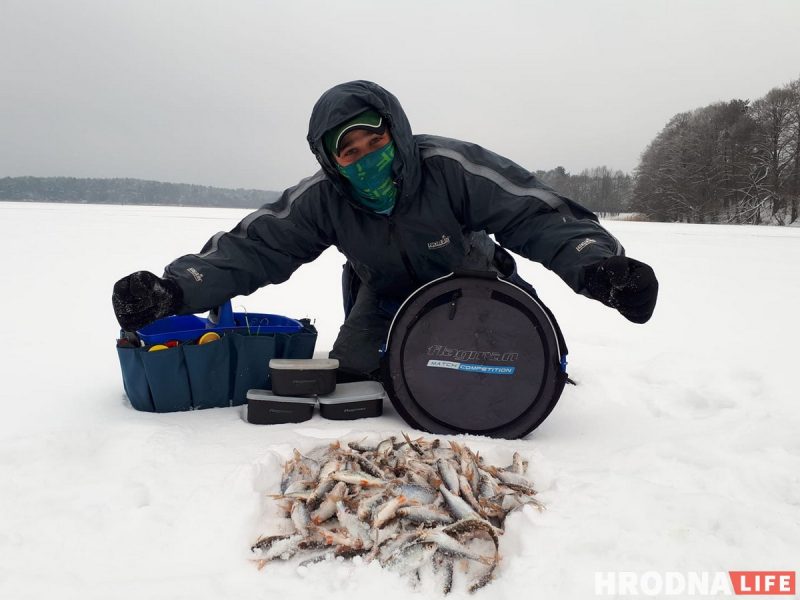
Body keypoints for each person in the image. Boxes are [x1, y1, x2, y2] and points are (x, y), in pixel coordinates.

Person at [112, 80, 658, 381]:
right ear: (332, 162)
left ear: (394, 132)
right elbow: (256, 246)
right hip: (383, 292)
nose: (366, 157)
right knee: (354, 378)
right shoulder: (323, 199)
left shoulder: (449, 167)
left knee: (526, 368)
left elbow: (533, 212)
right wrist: (175, 290)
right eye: (349, 152)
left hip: (471, 280)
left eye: (374, 140)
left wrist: (596, 265)